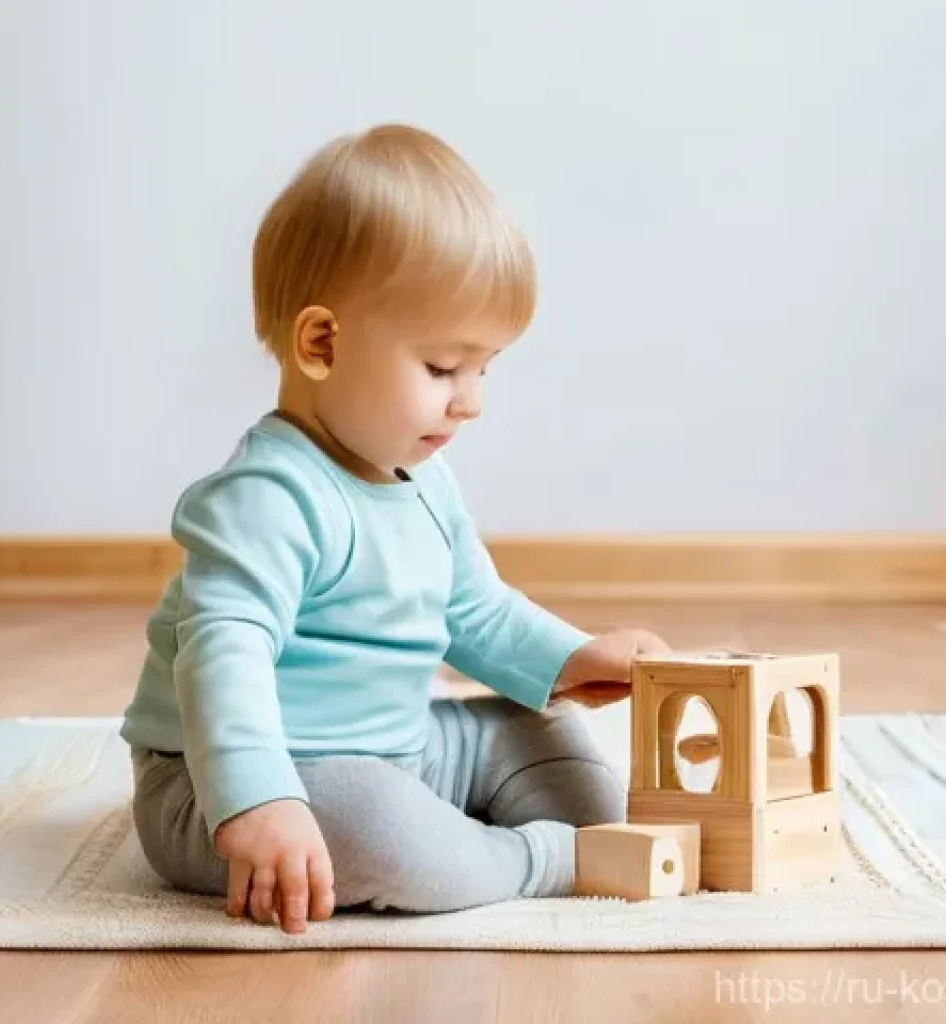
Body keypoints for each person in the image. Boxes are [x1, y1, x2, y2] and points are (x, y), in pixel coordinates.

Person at [120, 123, 670, 936]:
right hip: (225, 789)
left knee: (538, 732)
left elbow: (474, 611)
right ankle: (538, 861)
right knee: (378, 827)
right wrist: (259, 800)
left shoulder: (423, 481)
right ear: (321, 343)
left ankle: (556, 838)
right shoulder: (268, 497)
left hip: (397, 748)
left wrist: (569, 660)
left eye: (483, 368)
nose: (470, 401)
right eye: (443, 367)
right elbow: (223, 658)